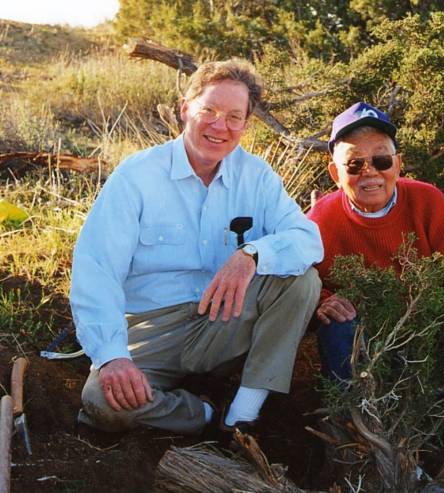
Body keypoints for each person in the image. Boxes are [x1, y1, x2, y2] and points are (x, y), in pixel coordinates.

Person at [70, 59, 323, 437]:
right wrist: (112, 356)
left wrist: (251, 255)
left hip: (224, 322)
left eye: (234, 117)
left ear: (245, 125)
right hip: (152, 328)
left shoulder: (257, 177)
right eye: (209, 110)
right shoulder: (137, 177)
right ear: (185, 109)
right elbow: (96, 270)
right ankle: (204, 415)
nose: (220, 126)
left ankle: (242, 415)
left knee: (303, 280)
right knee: (104, 404)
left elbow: (308, 240)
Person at [307, 102, 444, 493]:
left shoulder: (428, 202)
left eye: (381, 160)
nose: (369, 172)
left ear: (398, 164)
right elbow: (295, 281)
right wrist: (320, 298)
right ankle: (362, 464)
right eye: (354, 165)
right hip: (369, 346)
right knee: (336, 329)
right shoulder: (319, 220)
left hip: (431, 333)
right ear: (335, 172)